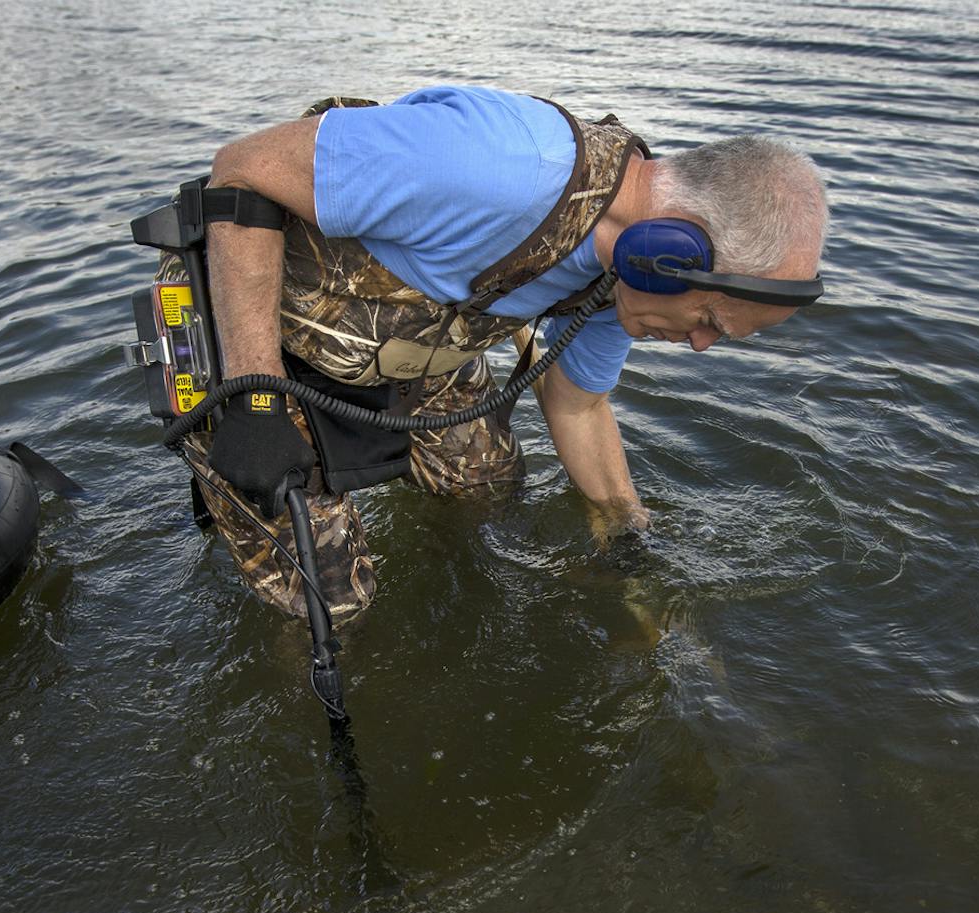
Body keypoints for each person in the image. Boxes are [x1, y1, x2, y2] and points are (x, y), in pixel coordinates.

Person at [168, 84, 828, 620]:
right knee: (334, 606)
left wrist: (632, 536)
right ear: (674, 251)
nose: (701, 344)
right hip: (249, 334)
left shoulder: (626, 280)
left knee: (489, 492)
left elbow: (578, 407)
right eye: (711, 319)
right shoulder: (499, 165)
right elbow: (242, 170)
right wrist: (255, 394)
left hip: (416, 350)